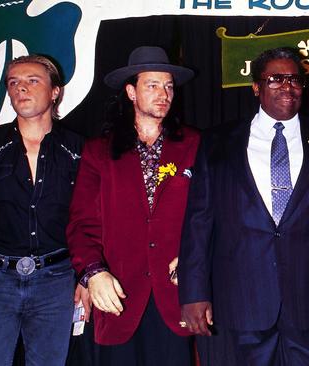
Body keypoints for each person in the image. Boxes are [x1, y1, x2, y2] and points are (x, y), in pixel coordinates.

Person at [178, 47, 309, 365]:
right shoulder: (217, 142)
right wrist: (193, 292)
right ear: (256, 87)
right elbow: (199, 223)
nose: (287, 86)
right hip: (240, 305)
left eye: (295, 79)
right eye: (275, 79)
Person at [66, 46, 200, 365]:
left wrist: (195, 257)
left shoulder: (195, 145)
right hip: (118, 294)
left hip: (174, 294)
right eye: (152, 85)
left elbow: (208, 214)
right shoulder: (99, 152)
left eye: (168, 86)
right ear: (130, 91)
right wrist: (92, 272)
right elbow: (82, 224)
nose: (163, 93)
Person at [0, 55, 84, 365]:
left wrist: (85, 277)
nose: (21, 89)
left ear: (55, 91)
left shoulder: (80, 150)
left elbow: (91, 220)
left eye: (32, 81)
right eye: (13, 83)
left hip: (56, 281)